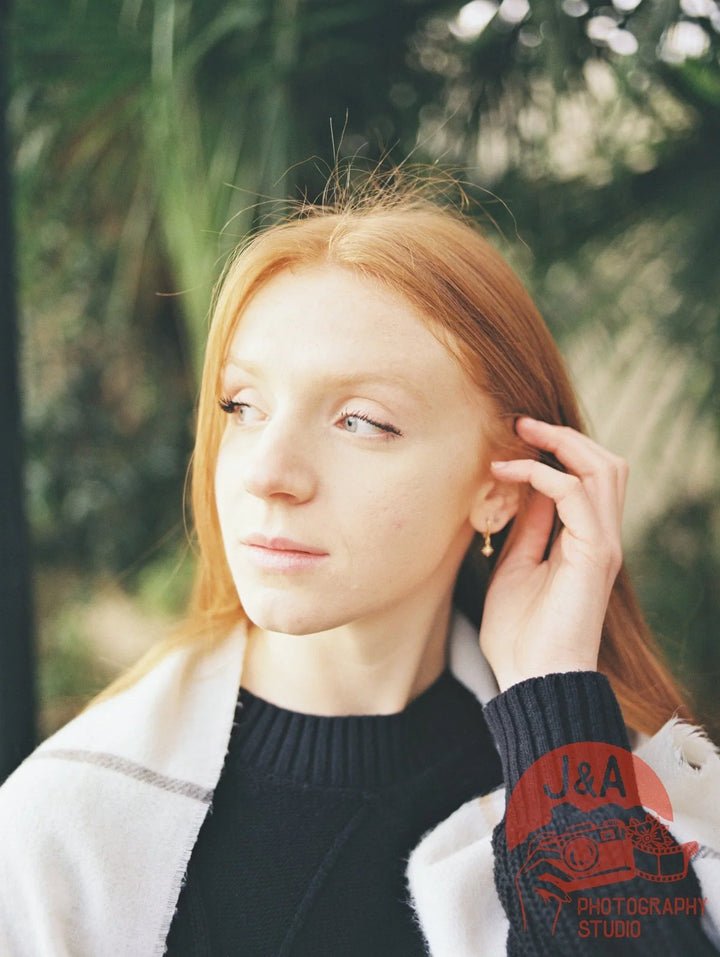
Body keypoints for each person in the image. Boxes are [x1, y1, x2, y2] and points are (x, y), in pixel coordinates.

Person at [1, 172, 719, 956]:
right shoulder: (66, 828)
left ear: (500, 485)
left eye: (362, 421)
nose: (268, 472)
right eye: (244, 405)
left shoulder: (608, 778)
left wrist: (550, 695)